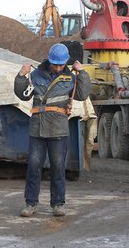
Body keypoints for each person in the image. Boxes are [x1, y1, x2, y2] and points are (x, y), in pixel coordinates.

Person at [14, 42, 90, 218]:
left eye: (61, 64)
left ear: (66, 63)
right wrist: (20, 76)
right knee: (34, 167)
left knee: (58, 168)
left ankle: (58, 204)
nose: (58, 67)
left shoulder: (71, 78)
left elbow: (82, 94)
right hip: (37, 129)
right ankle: (31, 203)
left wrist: (83, 72)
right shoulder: (36, 75)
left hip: (58, 129)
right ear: (49, 60)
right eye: (55, 63)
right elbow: (23, 94)